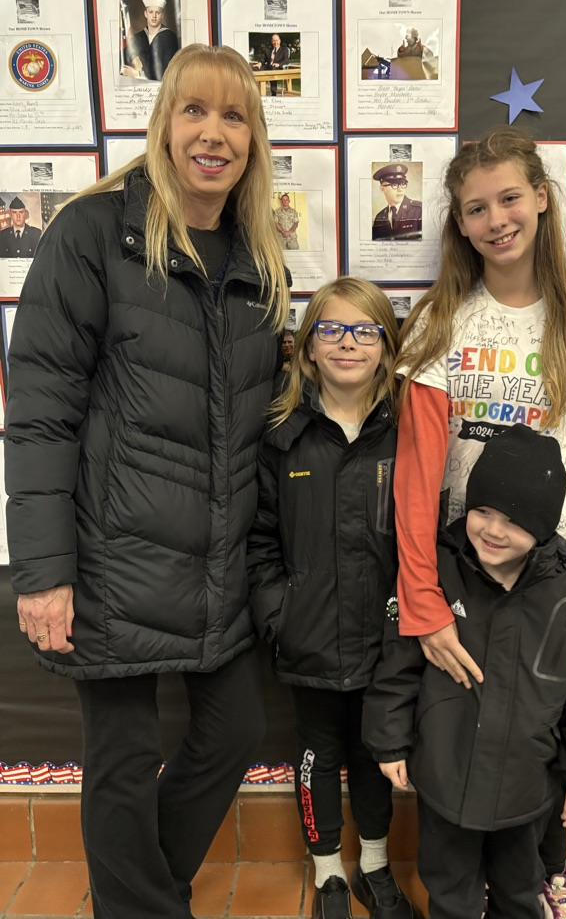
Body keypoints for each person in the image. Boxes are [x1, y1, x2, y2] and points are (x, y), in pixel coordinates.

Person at [6, 44, 290, 919]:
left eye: (235, 115)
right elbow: (41, 412)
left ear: (254, 138)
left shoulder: (257, 260)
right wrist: (44, 572)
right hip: (111, 556)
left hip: (217, 560)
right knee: (123, 758)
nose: (214, 132)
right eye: (194, 110)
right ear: (164, 121)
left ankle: (136, 895)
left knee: (238, 729)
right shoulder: (92, 232)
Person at [392, 126, 566, 918]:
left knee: (532, 731)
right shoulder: (441, 321)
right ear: (459, 224)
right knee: (460, 733)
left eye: (509, 198)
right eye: (475, 207)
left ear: (541, 199)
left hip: (539, 576)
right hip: (460, 571)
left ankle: (530, 884)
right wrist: (422, 598)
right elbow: (420, 475)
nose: (496, 218)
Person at [364, 424, 566, 919]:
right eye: (482, 511)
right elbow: (398, 663)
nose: (493, 530)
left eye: (514, 520)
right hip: (445, 773)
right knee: (450, 893)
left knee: (520, 894)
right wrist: (389, 739)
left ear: (544, 526)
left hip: (528, 787)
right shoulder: (435, 569)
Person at [248, 277, 416, 919]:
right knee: (317, 753)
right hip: (308, 634)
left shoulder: (407, 429)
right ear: (307, 347)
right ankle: (327, 875)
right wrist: (278, 614)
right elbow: (258, 536)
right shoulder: (281, 431)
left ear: (386, 344)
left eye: (365, 330)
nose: (348, 343)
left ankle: (375, 866)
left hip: (387, 637)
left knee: (378, 751)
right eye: (332, 330)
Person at [122, 0, 179, 82]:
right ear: (145, 14)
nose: (154, 16)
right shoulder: (138, 37)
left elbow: (165, 72)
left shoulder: (169, 37)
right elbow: (123, 60)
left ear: (162, 15)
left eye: (158, 13)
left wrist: (138, 74)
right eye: (151, 12)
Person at [372, 164, 422, 241]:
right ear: (382, 188)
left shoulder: (419, 210)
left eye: (403, 184)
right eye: (394, 185)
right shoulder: (379, 217)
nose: (400, 189)